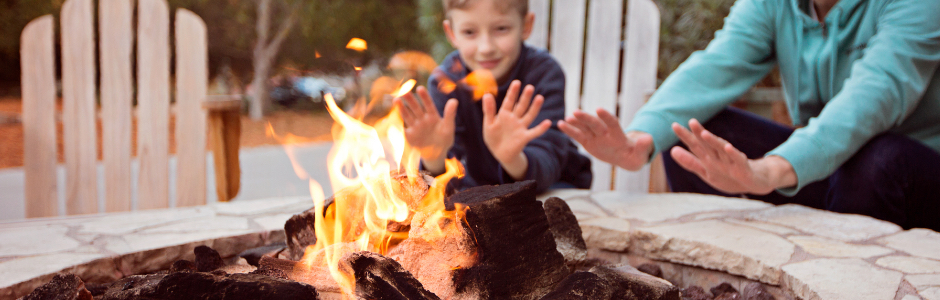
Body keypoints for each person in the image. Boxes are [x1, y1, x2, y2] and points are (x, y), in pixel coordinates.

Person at [559, 0, 940, 231]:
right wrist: (638, 140)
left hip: (917, 178)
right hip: (836, 176)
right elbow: (716, 66)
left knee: (877, 159)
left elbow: (871, 99)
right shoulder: (773, 5)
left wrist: (770, 171)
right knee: (692, 133)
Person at [394, 0, 592, 193]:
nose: (486, 47)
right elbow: (442, 185)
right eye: (469, 32)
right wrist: (433, 155)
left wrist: (512, 158)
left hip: (554, 188)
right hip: (483, 193)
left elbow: (549, 161)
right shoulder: (446, 82)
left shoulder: (544, 73)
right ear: (452, 33)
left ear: (526, 26)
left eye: (501, 29)